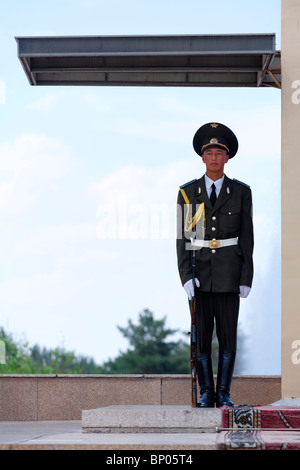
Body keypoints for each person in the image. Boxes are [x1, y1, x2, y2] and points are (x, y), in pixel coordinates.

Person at [176, 122, 254, 408]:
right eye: (209, 152)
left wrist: (247, 276)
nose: (213, 157)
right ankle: (206, 392)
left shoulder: (241, 192)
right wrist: (186, 276)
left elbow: (247, 238)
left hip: (230, 275)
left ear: (227, 157)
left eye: (218, 152)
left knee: (227, 336)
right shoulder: (190, 193)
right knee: (202, 338)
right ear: (202, 156)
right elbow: (186, 239)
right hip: (200, 275)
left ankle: (223, 392)